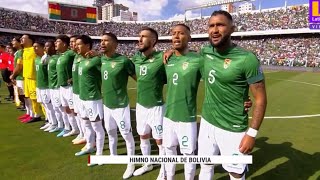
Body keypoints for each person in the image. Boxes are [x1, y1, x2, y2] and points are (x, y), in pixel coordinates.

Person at [197, 10, 267, 180]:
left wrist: (251, 134)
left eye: (220, 25)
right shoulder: (205, 52)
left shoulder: (247, 59)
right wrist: (170, 51)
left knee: (235, 173)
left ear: (232, 29)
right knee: (205, 164)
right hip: (207, 122)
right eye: (211, 25)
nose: (214, 29)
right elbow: (185, 56)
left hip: (233, 127)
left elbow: (260, 99)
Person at [163, 24, 201, 180]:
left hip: (186, 117)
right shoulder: (167, 59)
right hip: (168, 116)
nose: (176, 36)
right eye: (174, 34)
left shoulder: (198, 59)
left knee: (188, 154)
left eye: (181, 33)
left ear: (189, 38)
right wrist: (169, 51)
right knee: (169, 149)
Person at [131, 27, 166, 180]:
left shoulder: (162, 57)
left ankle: (164, 170)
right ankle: (148, 163)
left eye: (144, 37)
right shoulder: (136, 58)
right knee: (143, 136)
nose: (139, 39)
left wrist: (171, 52)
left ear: (153, 41)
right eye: (139, 36)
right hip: (141, 106)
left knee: (160, 140)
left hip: (156, 106)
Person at [100, 32, 136, 179]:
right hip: (106, 104)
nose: (102, 43)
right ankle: (113, 155)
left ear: (115, 44)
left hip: (120, 105)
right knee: (110, 131)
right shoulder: (100, 59)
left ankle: (131, 164)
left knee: (126, 134)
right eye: (101, 40)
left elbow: (138, 78)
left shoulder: (124, 61)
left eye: (106, 40)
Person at [74, 35, 105, 166]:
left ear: (87, 45)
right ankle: (89, 145)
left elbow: (108, 63)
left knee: (97, 127)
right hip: (82, 98)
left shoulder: (97, 59)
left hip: (93, 99)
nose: (76, 46)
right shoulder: (80, 59)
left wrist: (99, 55)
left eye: (79, 44)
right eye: (75, 44)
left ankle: (99, 155)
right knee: (86, 123)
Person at [55, 35, 79, 137]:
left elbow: (80, 61)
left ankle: (79, 130)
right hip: (62, 86)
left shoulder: (71, 53)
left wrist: (74, 78)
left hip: (70, 87)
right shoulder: (62, 55)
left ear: (64, 44)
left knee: (74, 109)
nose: (55, 43)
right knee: (66, 109)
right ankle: (72, 128)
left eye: (58, 42)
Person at [33, 42, 58, 132]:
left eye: (36, 46)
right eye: (33, 47)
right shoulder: (36, 59)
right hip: (39, 85)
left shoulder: (48, 58)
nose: (34, 48)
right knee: (45, 105)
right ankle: (50, 122)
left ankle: (55, 123)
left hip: (47, 86)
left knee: (50, 106)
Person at [19, 34, 41, 123]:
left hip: (33, 78)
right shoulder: (24, 51)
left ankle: (38, 115)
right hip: (26, 77)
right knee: (29, 98)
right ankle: (33, 114)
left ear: (30, 40)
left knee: (36, 98)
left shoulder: (34, 50)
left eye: (23, 38)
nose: (21, 39)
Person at [69, 35, 86, 145]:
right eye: (71, 42)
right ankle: (82, 133)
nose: (72, 44)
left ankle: (88, 138)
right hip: (75, 91)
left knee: (85, 118)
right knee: (78, 114)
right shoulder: (76, 56)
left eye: (74, 42)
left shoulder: (84, 56)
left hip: (82, 93)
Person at [46, 40, 65, 133]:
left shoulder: (58, 58)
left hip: (57, 87)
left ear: (53, 47)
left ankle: (65, 126)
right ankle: (58, 124)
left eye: (47, 46)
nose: (45, 49)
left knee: (61, 109)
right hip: (51, 87)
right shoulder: (51, 58)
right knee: (55, 108)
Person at [10, 37, 25, 110]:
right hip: (18, 76)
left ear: (19, 42)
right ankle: (28, 111)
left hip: (21, 76)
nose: (12, 42)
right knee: (21, 95)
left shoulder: (20, 52)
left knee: (23, 95)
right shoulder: (18, 52)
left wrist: (13, 75)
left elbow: (19, 66)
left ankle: (31, 112)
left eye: (14, 40)